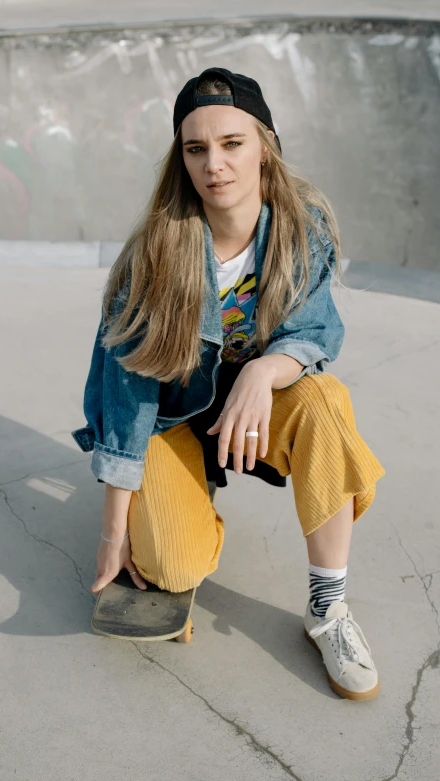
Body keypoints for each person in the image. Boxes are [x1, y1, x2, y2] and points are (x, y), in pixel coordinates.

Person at [72, 67, 386, 701]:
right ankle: (186, 498)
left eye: (232, 144)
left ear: (264, 146)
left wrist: (265, 373)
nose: (214, 164)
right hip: (169, 416)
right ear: (182, 158)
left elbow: (316, 331)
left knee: (325, 402)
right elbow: (126, 394)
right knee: (171, 565)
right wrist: (114, 531)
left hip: (255, 412)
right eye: (196, 148)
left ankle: (328, 610)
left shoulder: (303, 228)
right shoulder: (155, 255)